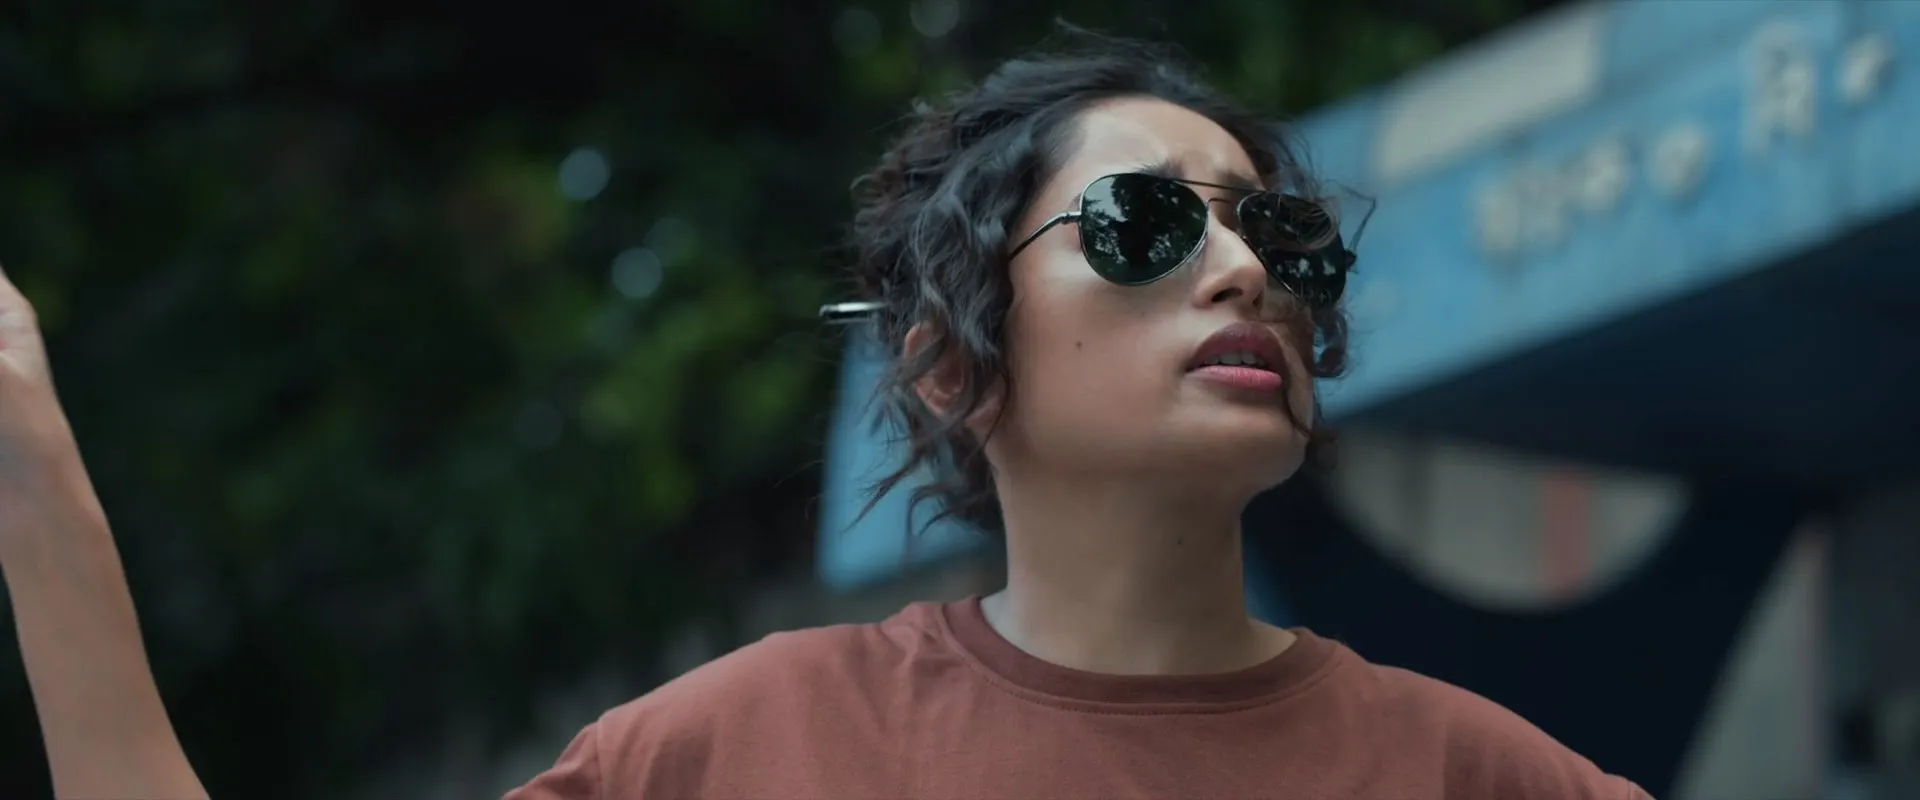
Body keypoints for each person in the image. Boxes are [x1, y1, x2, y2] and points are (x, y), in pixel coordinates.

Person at [0, 31, 1652, 800]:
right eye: (1147, 225)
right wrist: (34, 481)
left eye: (1276, 234)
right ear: (950, 363)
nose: (1242, 271)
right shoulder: (728, 757)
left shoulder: (1477, 778)